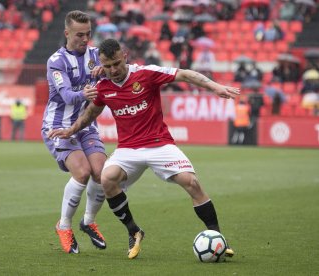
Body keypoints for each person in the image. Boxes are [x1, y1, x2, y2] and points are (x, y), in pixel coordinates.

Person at [49, 38, 238, 259]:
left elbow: (184, 74)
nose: (113, 70)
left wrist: (215, 86)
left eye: (117, 64)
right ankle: (134, 231)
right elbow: (91, 113)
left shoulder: (146, 73)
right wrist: (70, 130)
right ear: (101, 64)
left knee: (191, 182)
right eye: (108, 66)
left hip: (159, 143)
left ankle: (217, 237)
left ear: (125, 57)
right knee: (106, 178)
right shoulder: (103, 87)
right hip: (128, 149)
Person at [41, 10, 107, 254]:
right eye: (79, 35)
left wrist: (109, 70)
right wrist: (85, 94)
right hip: (59, 127)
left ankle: (88, 221)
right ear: (67, 33)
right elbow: (67, 95)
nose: (85, 39)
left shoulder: (95, 55)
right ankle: (64, 226)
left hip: (86, 124)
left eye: (88, 33)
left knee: (102, 173)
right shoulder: (56, 61)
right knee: (82, 172)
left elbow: (112, 73)